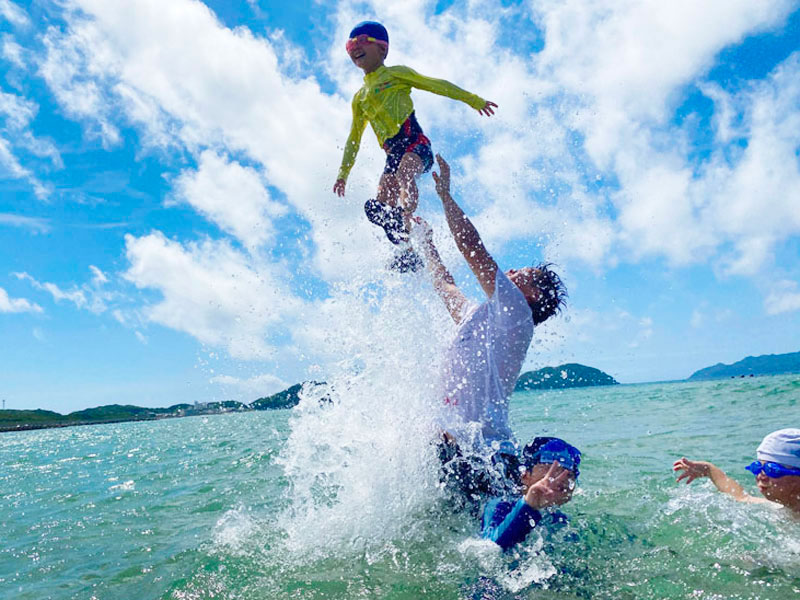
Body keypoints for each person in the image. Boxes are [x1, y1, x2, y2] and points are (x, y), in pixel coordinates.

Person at [412, 154, 575, 550]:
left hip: (480, 451)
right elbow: (446, 285)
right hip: (457, 451)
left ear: (534, 296)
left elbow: (473, 249)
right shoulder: (483, 318)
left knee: (492, 544)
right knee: (480, 543)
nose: (513, 273)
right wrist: (426, 245)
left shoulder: (519, 314)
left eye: (524, 276)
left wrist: (446, 197)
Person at [332, 21, 497, 270]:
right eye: (350, 45)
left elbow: (435, 84)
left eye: (362, 41)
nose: (355, 47)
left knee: (404, 174)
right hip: (392, 152)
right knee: (383, 198)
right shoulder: (360, 99)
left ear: (383, 50)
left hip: (415, 143)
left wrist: (473, 100)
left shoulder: (396, 74)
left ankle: (403, 214)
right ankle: (406, 249)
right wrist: (343, 174)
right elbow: (353, 138)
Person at [673, 428, 800, 515]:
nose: (761, 476)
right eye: (757, 468)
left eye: (772, 470)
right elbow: (741, 496)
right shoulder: (780, 508)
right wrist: (709, 469)